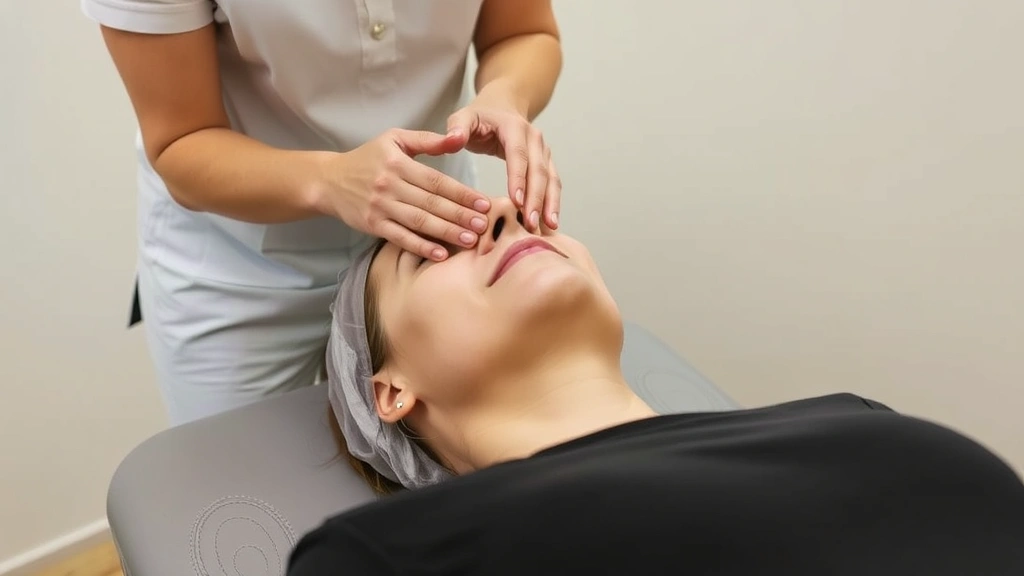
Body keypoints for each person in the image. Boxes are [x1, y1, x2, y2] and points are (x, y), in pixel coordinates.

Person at [287, 195, 1024, 575]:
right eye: (434, 246)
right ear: (391, 391)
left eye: (513, 213)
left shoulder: (856, 422)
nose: (506, 215)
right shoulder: (388, 555)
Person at [81, 0, 563, 425]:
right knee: (251, 494)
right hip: (240, 263)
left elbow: (523, 32)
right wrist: (329, 181)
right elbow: (180, 141)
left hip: (428, 236)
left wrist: (505, 95)